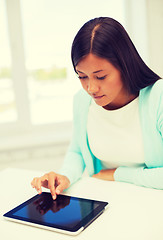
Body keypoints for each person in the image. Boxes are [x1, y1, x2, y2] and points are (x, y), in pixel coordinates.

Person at [31, 17, 163, 200]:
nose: (91, 88)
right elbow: (77, 150)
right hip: (105, 201)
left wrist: (118, 174)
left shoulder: (158, 98)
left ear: (124, 66)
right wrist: (64, 176)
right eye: (82, 76)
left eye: (100, 77)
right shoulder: (82, 102)